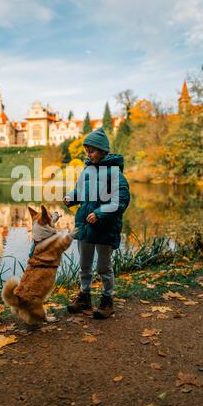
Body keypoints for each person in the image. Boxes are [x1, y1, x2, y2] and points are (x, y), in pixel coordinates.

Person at [63, 127, 130, 319]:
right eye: (86, 151)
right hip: (85, 226)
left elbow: (121, 201)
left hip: (104, 228)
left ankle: (107, 300)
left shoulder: (115, 174)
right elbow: (80, 192)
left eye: (91, 151)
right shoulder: (87, 170)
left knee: (103, 267)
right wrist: (71, 197)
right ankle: (84, 297)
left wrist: (100, 213)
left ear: (102, 151)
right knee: (84, 265)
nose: (88, 154)